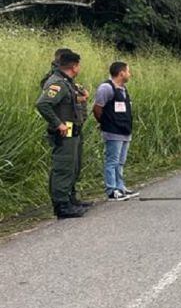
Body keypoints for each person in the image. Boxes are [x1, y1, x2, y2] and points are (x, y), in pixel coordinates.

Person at [35, 50, 88, 218]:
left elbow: (66, 102)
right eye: (78, 65)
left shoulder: (67, 82)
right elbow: (43, 104)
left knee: (73, 166)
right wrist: (57, 123)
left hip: (74, 131)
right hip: (64, 133)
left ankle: (70, 199)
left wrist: (80, 99)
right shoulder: (57, 83)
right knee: (63, 168)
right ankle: (61, 206)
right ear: (74, 66)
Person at [94, 61, 138, 201]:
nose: (129, 74)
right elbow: (97, 108)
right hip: (113, 131)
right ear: (121, 73)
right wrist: (105, 122)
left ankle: (120, 187)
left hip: (125, 130)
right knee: (112, 161)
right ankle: (111, 190)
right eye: (128, 71)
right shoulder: (106, 88)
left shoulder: (123, 89)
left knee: (120, 162)